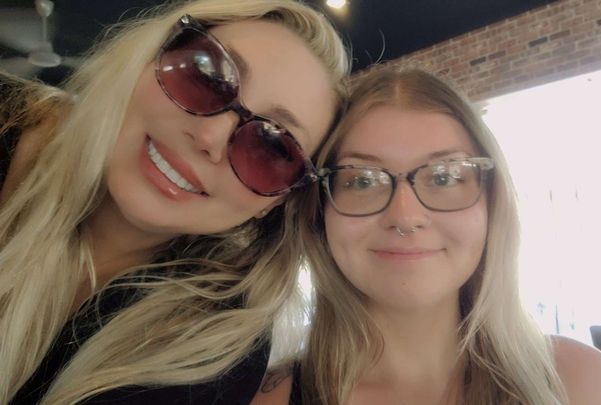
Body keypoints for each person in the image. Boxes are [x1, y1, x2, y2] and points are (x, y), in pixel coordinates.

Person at [0, 0, 348, 403]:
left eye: (273, 146)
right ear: (150, 56)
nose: (210, 138)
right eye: (206, 74)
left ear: (275, 202)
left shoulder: (217, 357)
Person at [252, 68, 601, 404]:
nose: (405, 217)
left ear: (492, 202)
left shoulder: (584, 385)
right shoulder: (270, 399)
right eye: (363, 180)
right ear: (320, 212)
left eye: (444, 177)